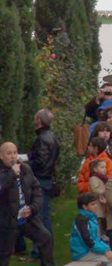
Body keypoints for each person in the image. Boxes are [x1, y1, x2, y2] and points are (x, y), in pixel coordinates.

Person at [0, 142, 54, 266]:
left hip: (26, 217)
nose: (13, 156)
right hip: (7, 221)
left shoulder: (25, 168)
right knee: (3, 255)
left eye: (15, 152)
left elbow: (37, 189)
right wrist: (12, 174)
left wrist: (32, 208)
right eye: (9, 153)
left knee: (45, 238)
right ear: (1, 156)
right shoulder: (3, 173)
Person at [28, 109, 60, 242]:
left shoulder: (42, 138)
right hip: (47, 178)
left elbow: (40, 161)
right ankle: (46, 246)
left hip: (40, 179)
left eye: (35, 118)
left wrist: (25, 162)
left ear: (39, 121)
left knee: (39, 217)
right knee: (44, 215)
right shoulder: (52, 137)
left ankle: (41, 249)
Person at [70, 193, 112, 266]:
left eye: (96, 204)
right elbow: (87, 241)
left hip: (90, 250)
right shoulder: (81, 220)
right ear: (85, 206)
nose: (96, 206)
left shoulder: (92, 217)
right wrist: (105, 251)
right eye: (93, 204)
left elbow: (97, 238)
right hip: (82, 253)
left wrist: (106, 249)